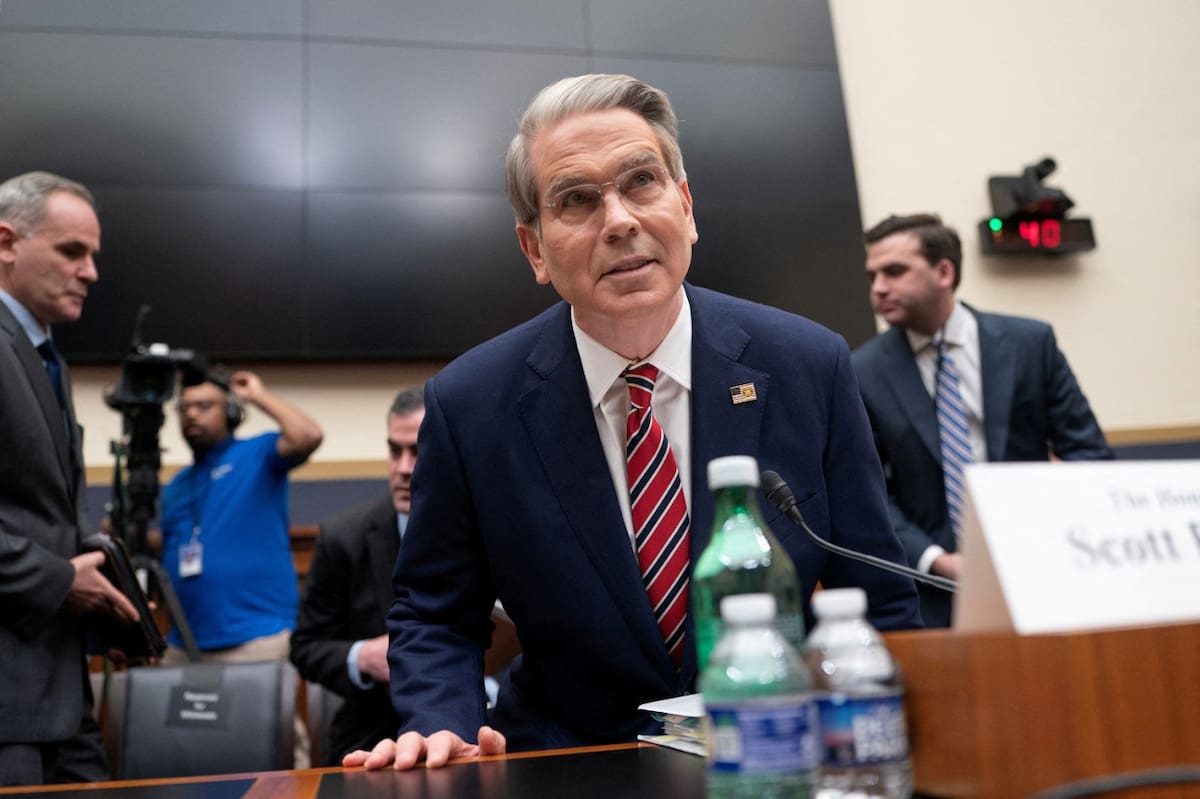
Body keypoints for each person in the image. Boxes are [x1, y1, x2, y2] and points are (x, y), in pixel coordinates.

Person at [344, 73, 921, 772]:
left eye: (641, 182)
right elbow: (435, 612)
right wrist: (443, 727)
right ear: (534, 248)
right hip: (566, 766)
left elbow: (881, 592)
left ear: (685, 206)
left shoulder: (809, 364)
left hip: (778, 753)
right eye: (577, 200)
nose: (618, 220)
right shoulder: (471, 403)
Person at [852, 213, 1114, 627]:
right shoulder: (862, 371)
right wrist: (939, 561)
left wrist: (1053, 533)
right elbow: (869, 491)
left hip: (1046, 571)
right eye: (873, 276)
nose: (879, 288)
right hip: (931, 590)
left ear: (944, 271)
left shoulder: (1031, 344)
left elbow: (1088, 457)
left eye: (895, 271)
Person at [0, 171, 141, 785]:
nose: (91, 272)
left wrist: (99, 600)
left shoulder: (41, 352)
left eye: (93, 255)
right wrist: (59, 580)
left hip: (58, 692)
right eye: (71, 251)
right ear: (5, 243)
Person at [157, 369, 323, 663]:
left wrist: (257, 395)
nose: (192, 415)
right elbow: (170, 543)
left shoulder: (256, 453)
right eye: (184, 408)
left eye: (205, 406)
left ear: (232, 412)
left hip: (257, 640)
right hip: (185, 643)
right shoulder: (178, 483)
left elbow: (307, 436)